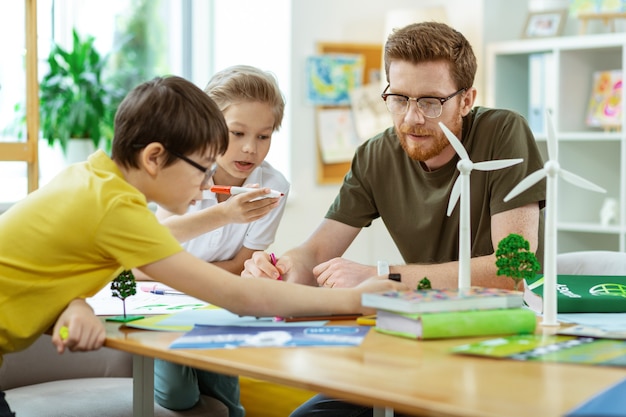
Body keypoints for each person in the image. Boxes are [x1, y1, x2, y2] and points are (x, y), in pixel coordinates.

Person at [0, 75, 405, 417]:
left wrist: (75, 302)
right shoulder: (116, 210)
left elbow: (54, 265)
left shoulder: (89, 180)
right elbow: (240, 295)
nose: (207, 184)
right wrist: (356, 301)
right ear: (155, 157)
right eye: (202, 167)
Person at [242, 21, 546, 417]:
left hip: (492, 343)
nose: (411, 118)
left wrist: (383, 276)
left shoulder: (503, 133)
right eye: (399, 98)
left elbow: (513, 270)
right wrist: (279, 270)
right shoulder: (375, 155)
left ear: (467, 100)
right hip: (409, 338)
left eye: (431, 102)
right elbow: (316, 251)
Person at [151, 65, 290, 417]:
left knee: (228, 405)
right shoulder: (182, 169)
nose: (249, 148)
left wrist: (175, 272)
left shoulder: (273, 186)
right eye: (237, 132)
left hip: (217, 304)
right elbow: (149, 249)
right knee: (180, 395)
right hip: (158, 304)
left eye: (264, 136)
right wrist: (226, 216)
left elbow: (242, 265)